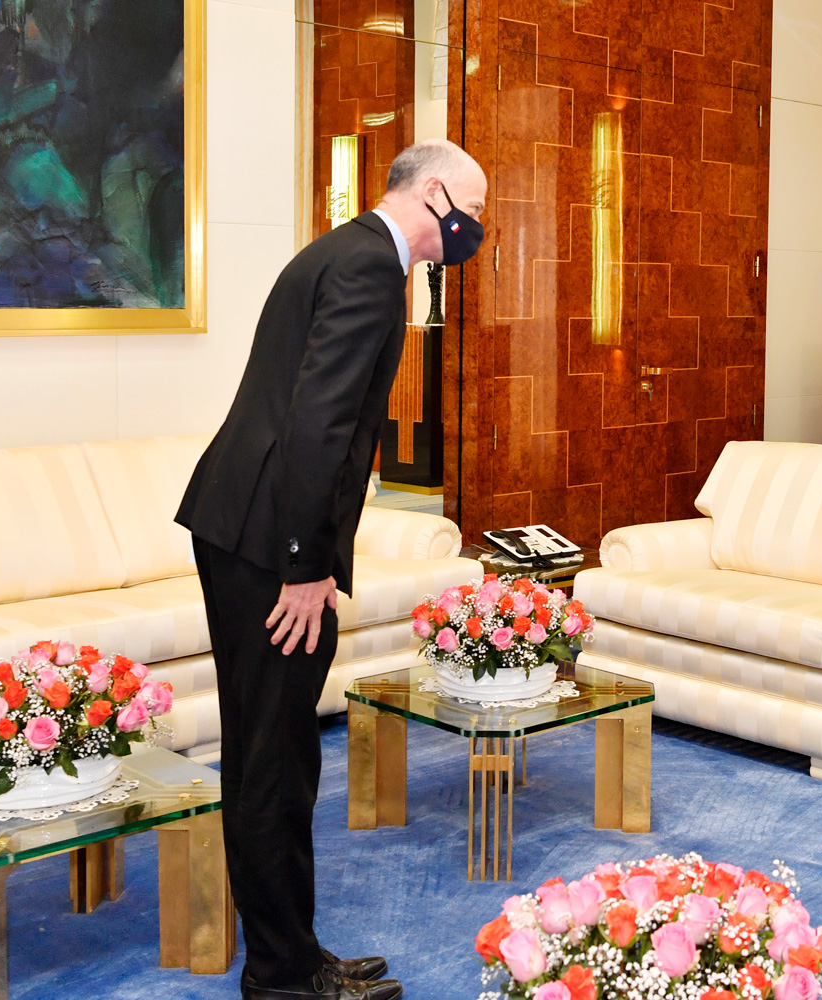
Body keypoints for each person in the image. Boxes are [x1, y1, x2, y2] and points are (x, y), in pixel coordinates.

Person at [175, 139, 488, 1000]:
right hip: (269, 542)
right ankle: (281, 977)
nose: (473, 229)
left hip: (244, 526)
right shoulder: (367, 271)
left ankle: (293, 953)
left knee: (273, 751)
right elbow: (316, 425)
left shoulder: (343, 251)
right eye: (470, 208)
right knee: (274, 757)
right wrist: (305, 566)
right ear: (432, 194)